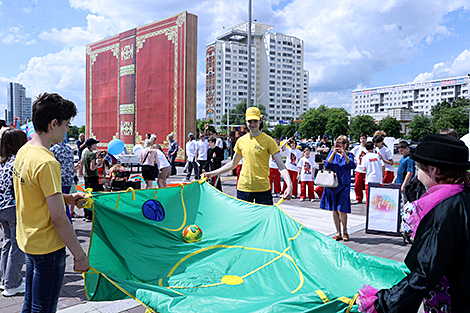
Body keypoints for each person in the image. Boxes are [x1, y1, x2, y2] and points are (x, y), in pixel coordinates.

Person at [358, 134, 470, 313]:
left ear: (433, 170)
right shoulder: (463, 196)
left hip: (453, 301)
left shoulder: (442, 209)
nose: (417, 174)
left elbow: (425, 271)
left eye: (419, 168)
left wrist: (384, 303)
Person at [13, 93, 89, 311]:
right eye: (66, 125)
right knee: (43, 308)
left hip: (29, 240)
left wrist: (66, 198)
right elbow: (59, 217)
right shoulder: (47, 162)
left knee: (30, 304)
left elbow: (31, 191)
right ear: (53, 123)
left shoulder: (24, 151)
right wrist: (80, 256)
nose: (67, 130)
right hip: (47, 246)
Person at [203, 107, 292, 204]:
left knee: (264, 219)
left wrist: (289, 185)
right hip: (244, 188)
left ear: (260, 121)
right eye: (250, 121)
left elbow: (281, 166)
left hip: (262, 189)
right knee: (244, 219)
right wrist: (212, 173)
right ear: (246, 121)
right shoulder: (241, 141)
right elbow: (233, 164)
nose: (252, 124)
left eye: (255, 121)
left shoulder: (268, 140)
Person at [0, 128, 27, 297]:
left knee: (8, 243)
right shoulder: (19, 161)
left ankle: (6, 280)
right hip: (14, 207)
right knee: (18, 246)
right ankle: (12, 284)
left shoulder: (3, 161)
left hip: (2, 207)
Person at [320, 135, 355, 241]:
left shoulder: (349, 155)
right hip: (332, 185)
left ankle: (345, 231)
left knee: (342, 209)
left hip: (344, 185)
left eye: (343, 142)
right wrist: (334, 152)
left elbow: (352, 166)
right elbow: (326, 165)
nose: (341, 144)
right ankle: (338, 232)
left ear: (347, 144)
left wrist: (344, 154)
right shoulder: (332, 153)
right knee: (334, 210)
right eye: (339, 142)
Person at [50, 140, 75, 223]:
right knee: (66, 201)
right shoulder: (69, 148)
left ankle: (67, 222)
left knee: (61, 202)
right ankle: (67, 221)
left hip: (59, 178)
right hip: (69, 178)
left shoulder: (54, 149)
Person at [82, 138, 105, 221]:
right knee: (93, 195)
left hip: (86, 176)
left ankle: (86, 214)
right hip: (92, 177)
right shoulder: (92, 154)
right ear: (92, 145)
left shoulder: (85, 153)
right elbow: (92, 168)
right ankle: (91, 215)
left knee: (87, 194)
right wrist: (99, 163)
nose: (96, 145)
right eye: (95, 144)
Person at [351, 133, 368, 204]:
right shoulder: (357, 148)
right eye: (361, 138)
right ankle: (358, 198)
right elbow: (351, 154)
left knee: (367, 186)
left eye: (364, 138)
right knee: (357, 185)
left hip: (366, 170)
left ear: (366, 139)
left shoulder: (368, 148)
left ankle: (368, 199)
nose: (362, 140)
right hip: (359, 169)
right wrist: (355, 159)